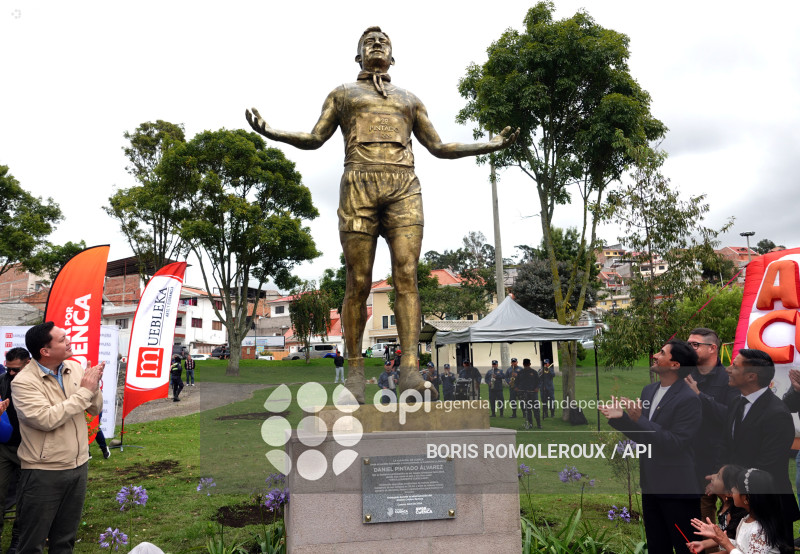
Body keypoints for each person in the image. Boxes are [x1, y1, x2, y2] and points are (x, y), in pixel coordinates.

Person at [246, 26, 517, 404]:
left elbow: (438, 146)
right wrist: (271, 132)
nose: (377, 43)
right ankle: (354, 373)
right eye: (368, 41)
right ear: (358, 56)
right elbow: (314, 138)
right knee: (358, 281)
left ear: (393, 57)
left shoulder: (409, 99)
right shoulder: (342, 94)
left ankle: (409, 371)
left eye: (384, 41)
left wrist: (487, 145)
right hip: (358, 185)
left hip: (404, 187)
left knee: (407, 275)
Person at [600, 340, 702, 554]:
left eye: (662, 353)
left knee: (687, 548)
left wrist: (640, 420)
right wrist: (622, 419)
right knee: (657, 547)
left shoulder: (688, 399)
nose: (655, 355)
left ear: (674, 365)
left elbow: (676, 443)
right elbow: (645, 437)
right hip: (651, 485)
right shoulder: (649, 390)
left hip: (677, 490)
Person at [11, 322, 103, 553]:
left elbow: (94, 409)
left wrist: (94, 386)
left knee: (64, 540)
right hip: (44, 471)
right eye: (62, 339)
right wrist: (85, 391)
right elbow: (45, 419)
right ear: (45, 351)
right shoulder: (23, 382)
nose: (69, 341)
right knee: (32, 542)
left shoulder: (74, 367)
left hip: (79, 465)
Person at [724, 349, 799, 546]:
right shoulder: (736, 402)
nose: (728, 369)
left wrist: (732, 486)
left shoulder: (777, 414)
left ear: (751, 376)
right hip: (739, 501)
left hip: (769, 508)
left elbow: (767, 466)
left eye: (735, 366)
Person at [683, 327, 740, 526]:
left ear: (712, 348)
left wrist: (700, 396)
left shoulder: (729, 379)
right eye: (688, 344)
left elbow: (730, 417)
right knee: (700, 518)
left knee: (732, 517)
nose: (689, 348)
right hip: (693, 461)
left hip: (722, 460)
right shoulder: (685, 376)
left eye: (695, 345)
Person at [688, 468, 790, 554]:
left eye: (736, 487)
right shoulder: (747, 518)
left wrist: (725, 543)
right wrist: (718, 537)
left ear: (746, 498)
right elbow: (741, 545)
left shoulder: (760, 531)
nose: (732, 490)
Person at [0, 347, 28, 553]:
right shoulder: (2, 380)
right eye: (9, 369)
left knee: (25, 497)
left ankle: (17, 540)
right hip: (4, 447)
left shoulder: (40, 382)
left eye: (15, 370)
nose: (11, 373)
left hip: (30, 449)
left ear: (28, 364)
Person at [514, 359, 540, 430]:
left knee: (536, 409)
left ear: (530, 364)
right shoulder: (521, 372)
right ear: (523, 364)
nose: (526, 366)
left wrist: (537, 388)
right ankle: (530, 424)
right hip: (524, 393)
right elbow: (516, 382)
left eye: (527, 364)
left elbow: (538, 382)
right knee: (527, 410)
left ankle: (538, 424)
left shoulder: (534, 372)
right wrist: (516, 387)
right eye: (525, 364)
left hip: (533, 393)